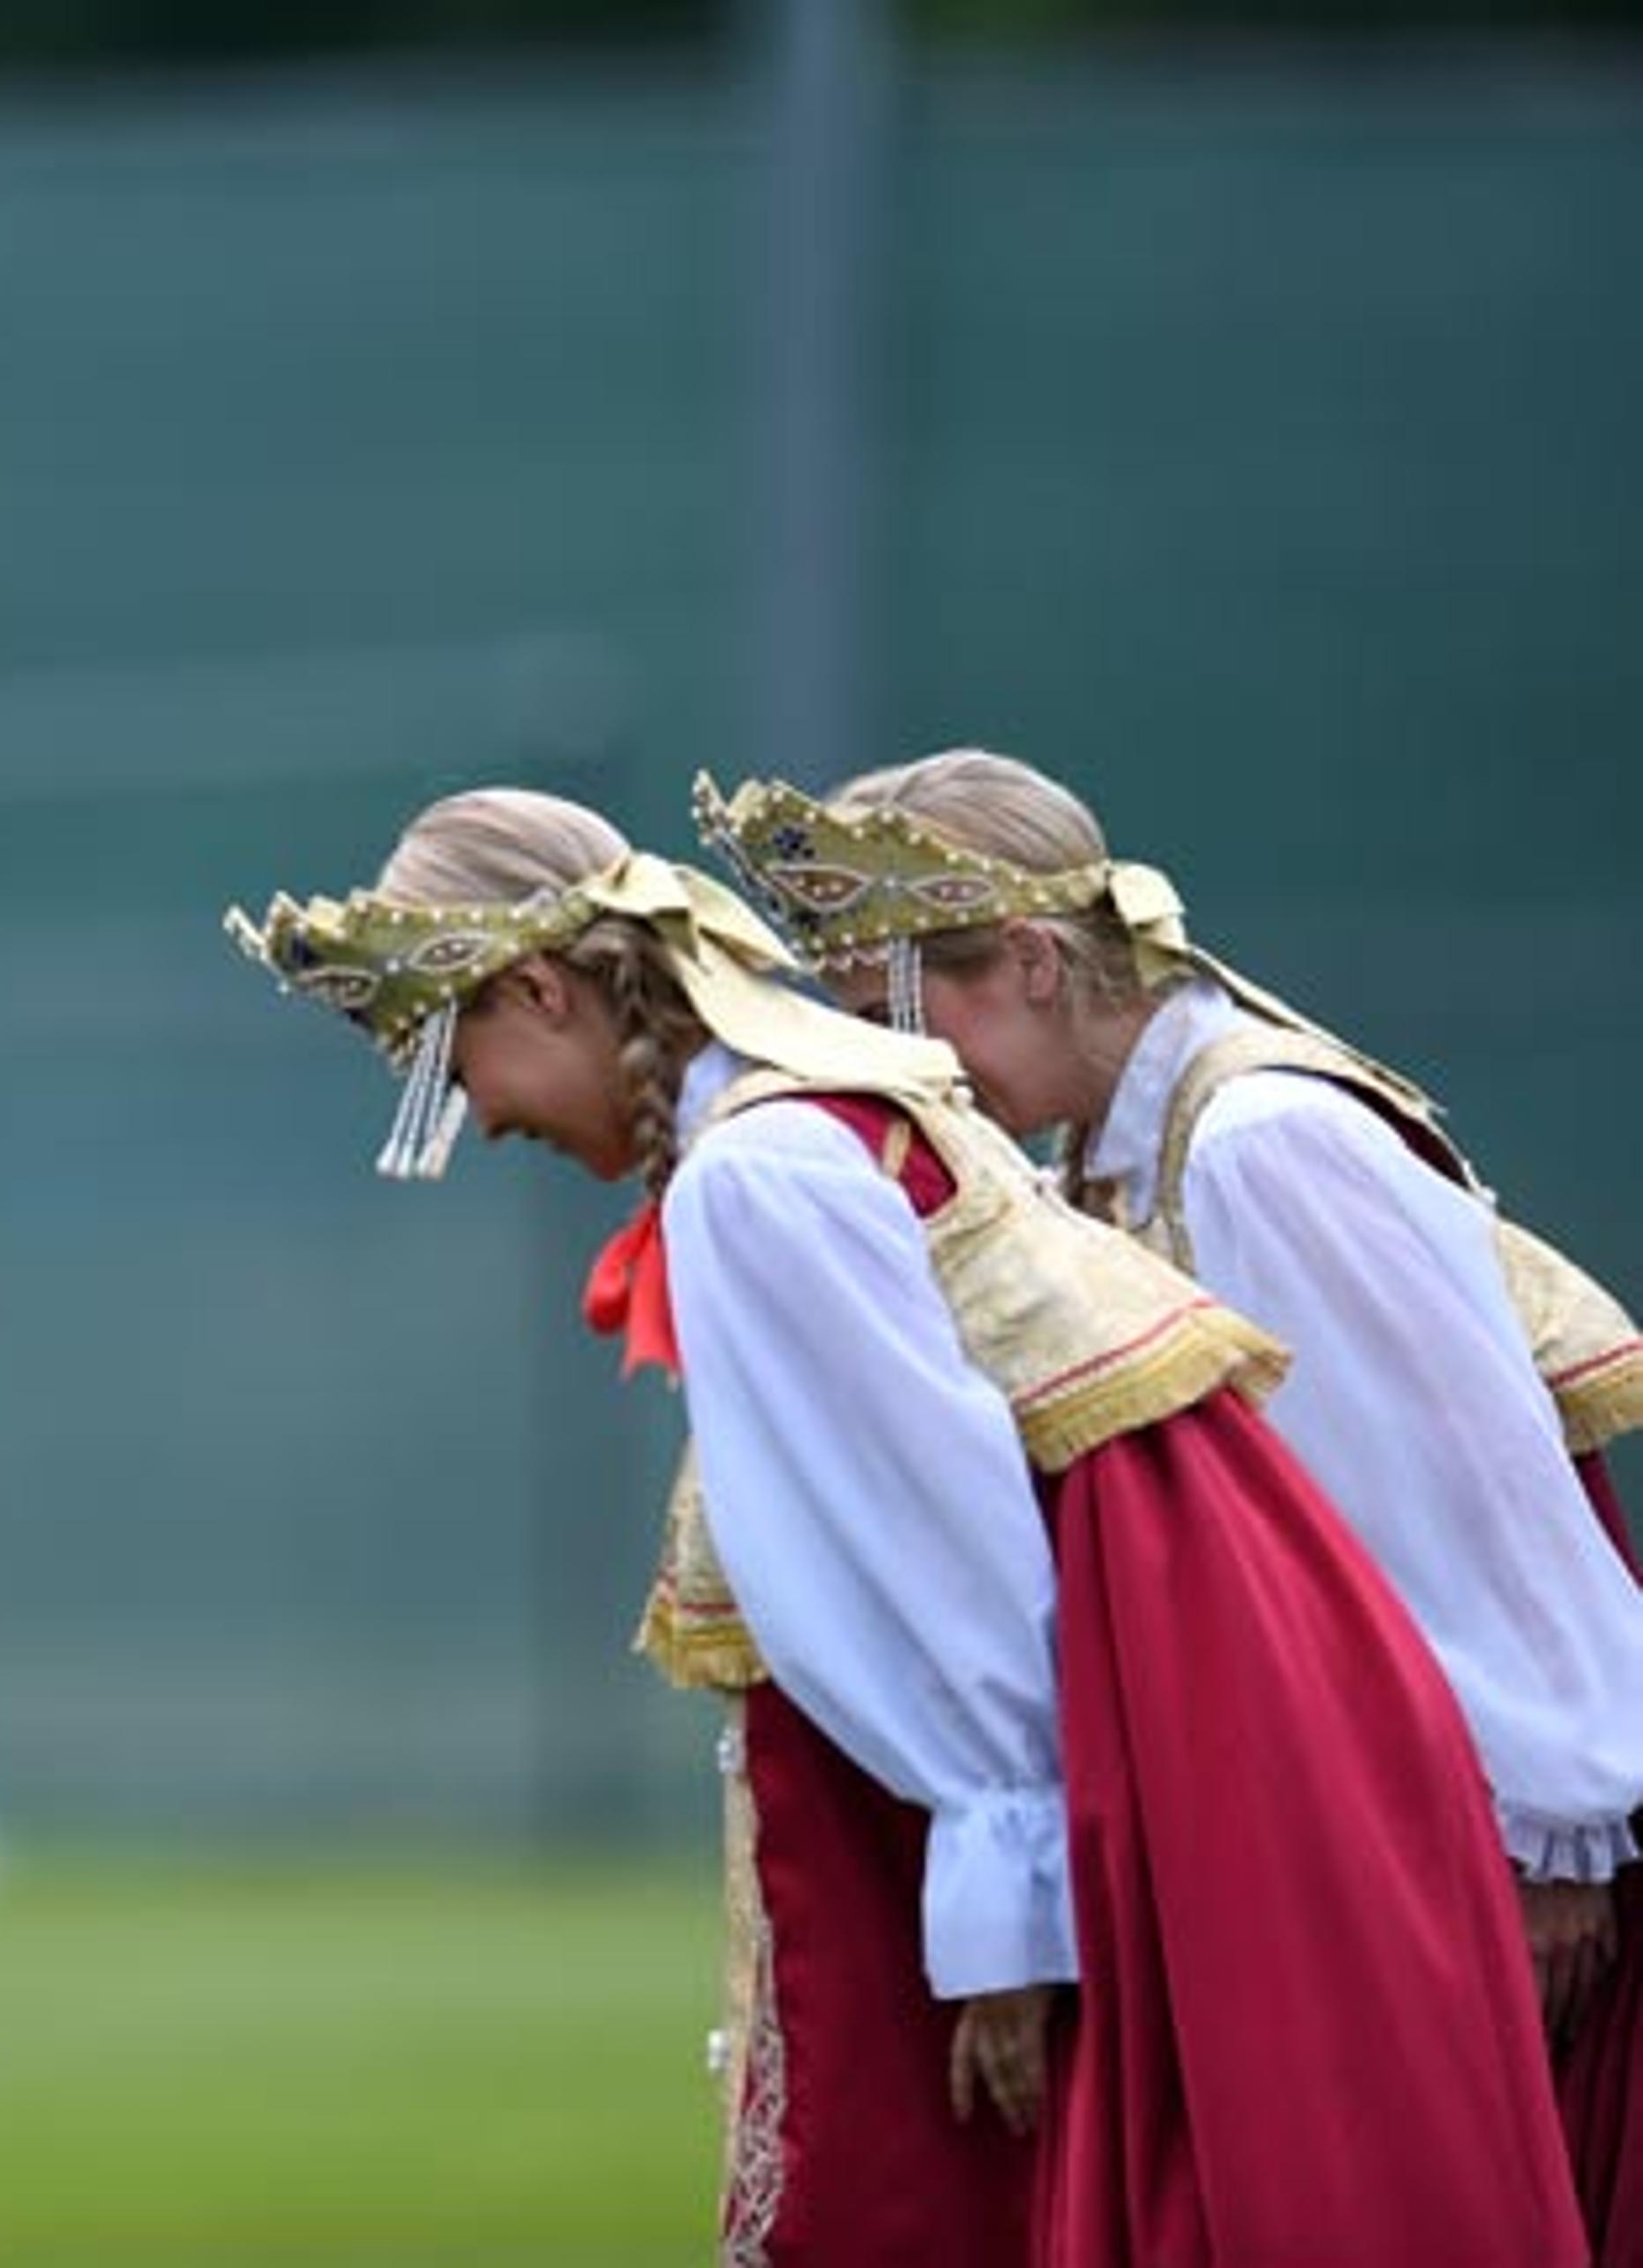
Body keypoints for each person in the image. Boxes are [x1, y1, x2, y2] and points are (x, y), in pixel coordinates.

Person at [227, 788, 1584, 2267]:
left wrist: (1011, 1907)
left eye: (450, 1056)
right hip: (1164, 1721)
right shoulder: (819, 1126)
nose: (479, 1116)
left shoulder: (762, 1171)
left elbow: (942, 1544)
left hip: (1113, 1757)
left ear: (545, 989)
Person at [702, 746, 1643, 2259]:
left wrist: (1553, 1847)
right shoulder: (1113, 1156)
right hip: (1343, 1825)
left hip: (1478, 1855)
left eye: (911, 1007)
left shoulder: (1261, 1142)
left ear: (1028, 958)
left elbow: (1477, 1510)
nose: (911, 1064)